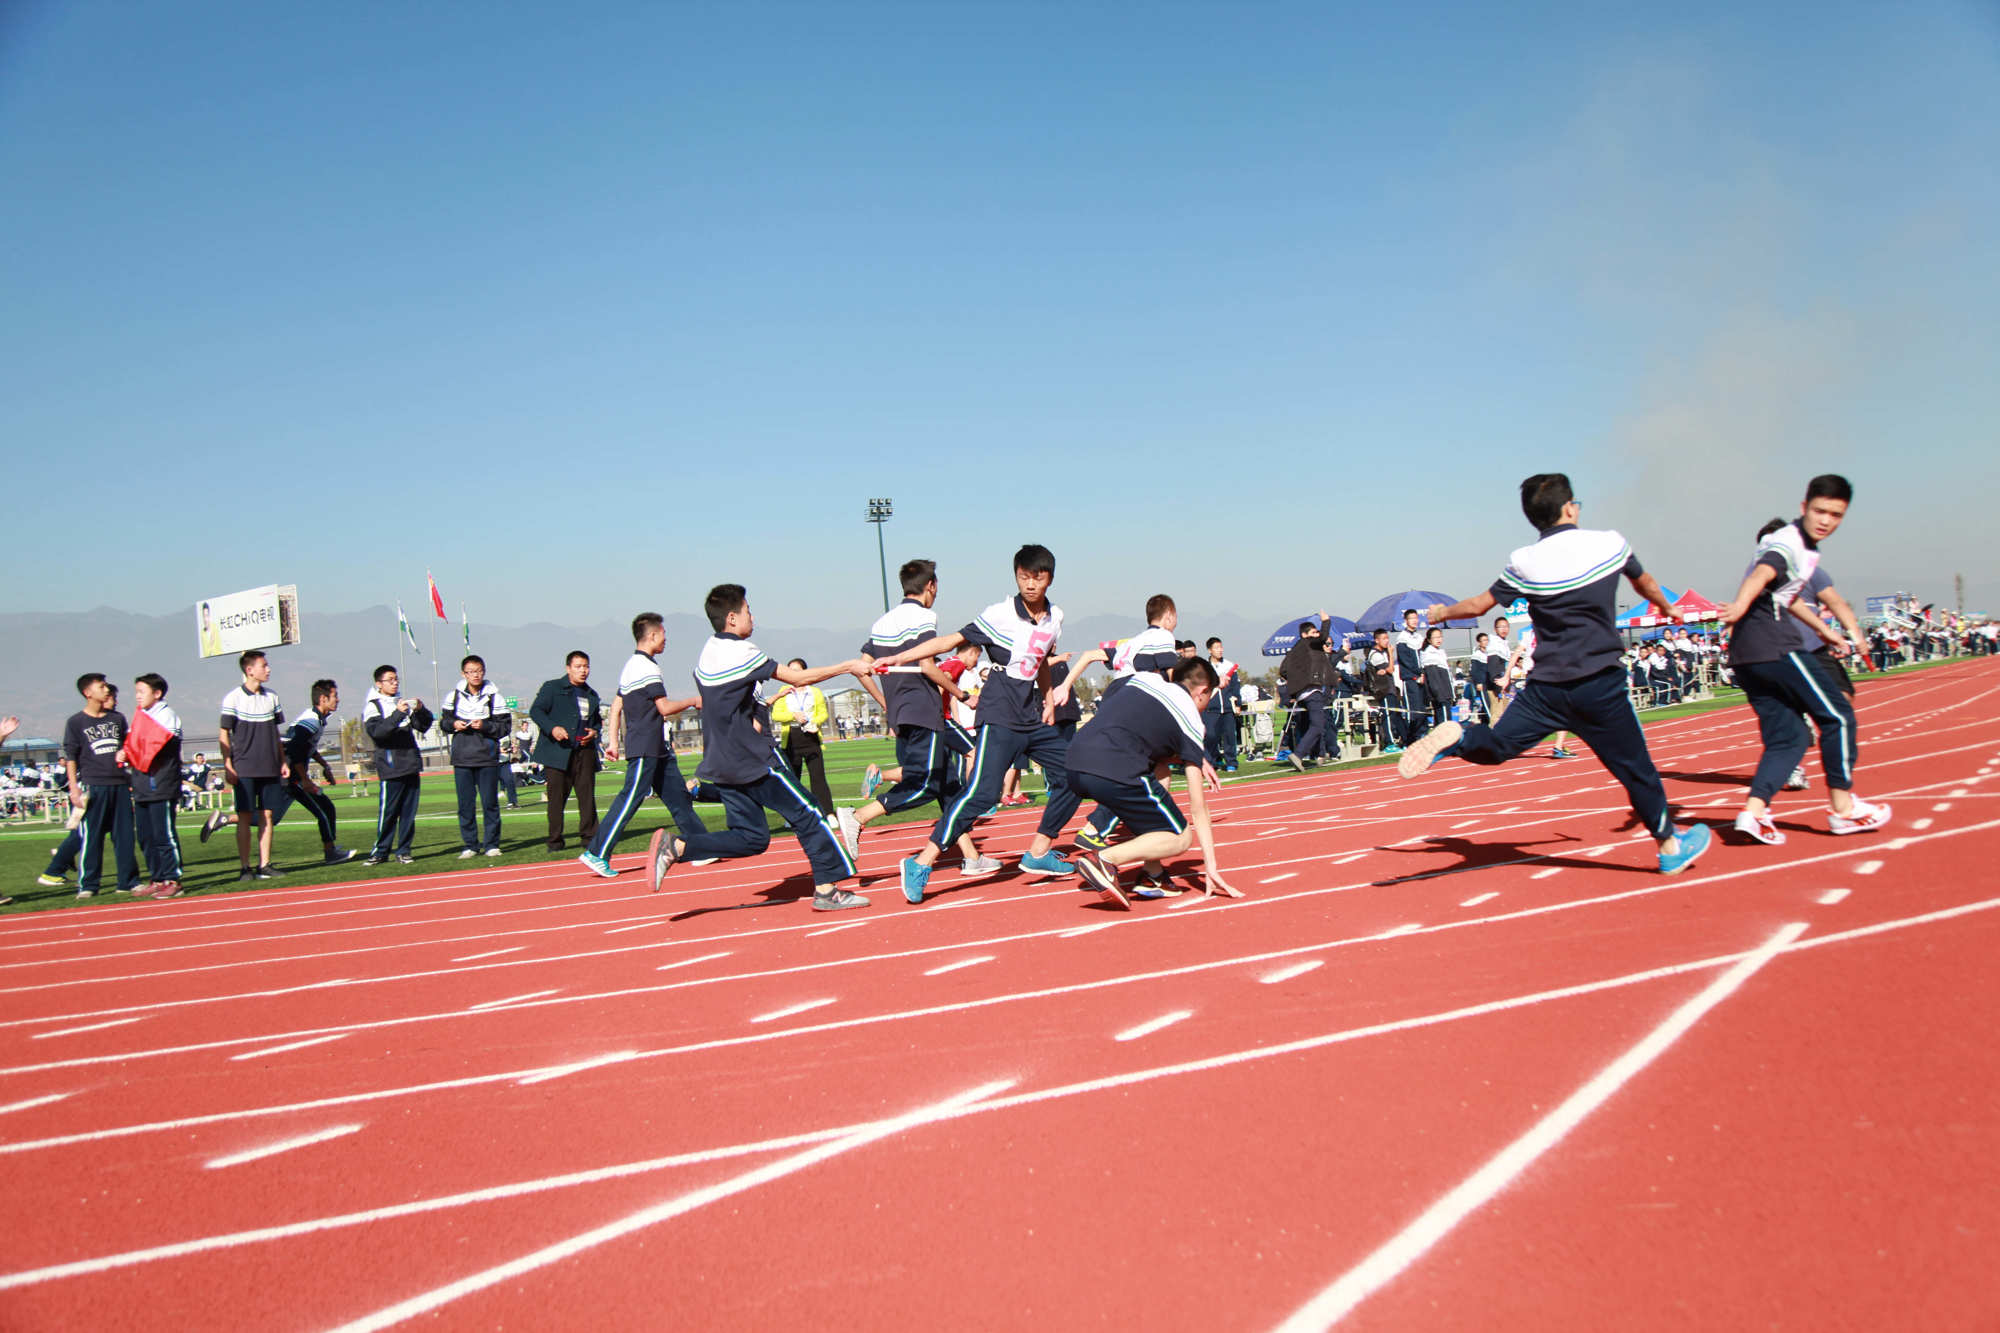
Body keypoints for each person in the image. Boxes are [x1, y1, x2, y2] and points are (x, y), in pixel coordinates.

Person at [1395, 472, 1713, 875]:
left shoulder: (1524, 562)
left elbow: (1478, 606)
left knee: (1497, 748)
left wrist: (1442, 613)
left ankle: (1460, 738)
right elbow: (1645, 582)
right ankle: (1669, 845)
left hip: (1544, 688)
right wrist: (1667, 609)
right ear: (1569, 508)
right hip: (1600, 684)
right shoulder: (1609, 544)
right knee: (1636, 769)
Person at [876, 543, 1081, 903]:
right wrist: (897, 656)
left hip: (1031, 717)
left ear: (1050, 578)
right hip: (999, 715)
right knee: (981, 794)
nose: (1030, 584)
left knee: (1075, 774)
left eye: (1038, 577)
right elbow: (950, 640)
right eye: (1023, 577)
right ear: (1016, 576)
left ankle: (1039, 851)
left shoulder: (1055, 618)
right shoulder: (999, 614)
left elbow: (1043, 663)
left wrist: (1048, 700)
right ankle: (921, 862)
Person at [645, 584, 869, 911]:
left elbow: (729, 700)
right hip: (749, 760)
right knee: (808, 812)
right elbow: (797, 678)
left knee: (752, 837)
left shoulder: (707, 652)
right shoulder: (742, 652)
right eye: (749, 611)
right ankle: (827, 889)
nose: (754, 617)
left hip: (720, 763)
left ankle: (677, 847)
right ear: (733, 618)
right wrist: (848, 667)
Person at [1719, 476, 1890, 845]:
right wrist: (1738, 606)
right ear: (1803, 508)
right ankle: (1844, 811)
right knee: (1839, 718)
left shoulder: (1796, 546)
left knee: (1790, 737)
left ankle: (1754, 812)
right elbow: (1766, 571)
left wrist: (1824, 630)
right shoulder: (1788, 543)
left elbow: (1785, 593)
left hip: (1746, 657)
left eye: (1836, 515)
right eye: (1820, 511)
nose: (1826, 520)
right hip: (1775, 646)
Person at [835, 559, 996, 876]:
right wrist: (963, 695)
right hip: (924, 710)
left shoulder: (882, 622)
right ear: (931, 586)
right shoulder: (925, 616)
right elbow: (926, 665)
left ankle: (972, 856)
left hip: (901, 713)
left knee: (948, 787)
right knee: (923, 786)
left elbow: (861, 669)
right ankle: (857, 817)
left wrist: (885, 702)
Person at [1070, 658, 1242, 908]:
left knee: (1157, 778)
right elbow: (1198, 807)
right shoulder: (1192, 720)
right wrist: (1211, 867)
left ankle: (1153, 876)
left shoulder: (1143, 678)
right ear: (1203, 690)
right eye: (1210, 696)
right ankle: (1105, 859)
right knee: (1180, 836)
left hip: (1076, 759)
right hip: (1115, 766)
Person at [577, 613, 710, 878]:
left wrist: (614, 742)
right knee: (631, 799)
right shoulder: (647, 667)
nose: (665, 638)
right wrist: (694, 700)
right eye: (662, 634)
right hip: (646, 746)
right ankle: (597, 852)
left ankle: (702, 846)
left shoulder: (631, 666)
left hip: (657, 748)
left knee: (678, 798)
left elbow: (616, 707)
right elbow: (664, 707)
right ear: (651, 635)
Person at [209, 650, 289, 881]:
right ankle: (245, 867)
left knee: (267, 816)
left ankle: (265, 865)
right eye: (264, 665)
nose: (268, 669)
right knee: (244, 817)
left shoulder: (272, 697)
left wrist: (282, 761)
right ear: (249, 670)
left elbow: (275, 733)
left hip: (270, 767)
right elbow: (224, 734)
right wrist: (228, 764)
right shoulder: (233, 698)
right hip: (244, 767)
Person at [59, 674, 139, 898]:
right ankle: (88, 885)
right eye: (101, 686)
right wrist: (74, 788)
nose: (106, 690)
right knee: (91, 838)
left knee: (124, 837)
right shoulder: (75, 722)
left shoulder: (117, 718)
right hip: (94, 785)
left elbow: (127, 745)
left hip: (120, 784)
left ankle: (128, 881)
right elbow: (72, 757)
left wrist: (127, 754)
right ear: (88, 693)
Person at [529, 651, 602, 851]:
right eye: (578, 666)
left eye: (586, 666)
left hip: (584, 751)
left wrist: (594, 732)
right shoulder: (552, 688)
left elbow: (596, 722)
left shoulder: (591, 694)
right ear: (568, 668)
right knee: (556, 799)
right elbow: (536, 711)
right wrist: (552, 728)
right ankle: (555, 840)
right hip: (558, 752)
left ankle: (589, 837)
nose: (583, 670)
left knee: (587, 797)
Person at [121, 673, 186, 898]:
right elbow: (132, 745)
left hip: (161, 784)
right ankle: (157, 878)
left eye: (142, 692)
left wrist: (130, 751)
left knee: (163, 835)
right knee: (146, 836)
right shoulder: (140, 717)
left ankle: (173, 879)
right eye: (136, 692)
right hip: (141, 786)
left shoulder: (167, 716)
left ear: (157, 693)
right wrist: (126, 752)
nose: (137, 697)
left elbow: (154, 747)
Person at [361, 665, 432, 865]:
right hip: (391, 766)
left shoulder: (401, 702)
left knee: (409, 812)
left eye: (396, 679)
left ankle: (404, 850)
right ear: (379, 684)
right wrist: (398, 714)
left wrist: (420, 710)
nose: (394, 683)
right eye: (390, 680)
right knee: (389, 812)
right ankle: (380, 851)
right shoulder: (373, 706)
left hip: (410, 762)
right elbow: (378, 733)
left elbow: (423, 725)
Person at [441, 654, 510, 860]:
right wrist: (454, 725)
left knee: (490, 803)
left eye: (479, 671)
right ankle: (470, 844)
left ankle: (491, 844)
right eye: (471, 671)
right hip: (462, 758)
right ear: (463, 674)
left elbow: (505, 727)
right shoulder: (453, 696)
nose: (475, 675)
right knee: (465, 805)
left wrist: (486, 725)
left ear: (484, 671)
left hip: (487, 757)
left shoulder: (494, 696)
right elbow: (443, 723)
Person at [280, 679, 356, 865]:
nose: (338, 700)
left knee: (268, 817)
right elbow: (296, 750)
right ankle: (330, 853)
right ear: (323, 699)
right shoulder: (311, 721)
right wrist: (305, 779)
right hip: (291, 777)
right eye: (335, 696)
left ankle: (226, 819)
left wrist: (325, 766)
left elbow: (308, 748)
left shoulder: (317, 719)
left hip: (293, 775)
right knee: (323, 810)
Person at [770, 661, 836, 813]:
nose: (793, 674)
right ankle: (794, 815)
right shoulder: (783, 691)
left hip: (811, 736)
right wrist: (793, 716)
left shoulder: (814, 691)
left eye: (797, 671)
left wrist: (814, 722)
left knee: (818, 778)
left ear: (805, 672)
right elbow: (776, 715)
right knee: (793, 780)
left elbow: (823, 713)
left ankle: (827, 812)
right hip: (791, 739)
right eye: (790, 670)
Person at [1277, 614, 1337, 771]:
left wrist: (1296, 681)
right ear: (1305, 635)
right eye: (1313, 632)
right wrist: (1325, 621)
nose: (1317, 635)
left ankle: (1320, 754)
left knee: (1312, 724)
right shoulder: (1309, 644)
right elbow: (1324, 636)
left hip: (1301, 692)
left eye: (1316, 632)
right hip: (1312, 690)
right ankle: (1298, 754)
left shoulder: (1295, 650)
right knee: (1318, 725)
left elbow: (1283, 670)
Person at [1203, 637, 1241, 771]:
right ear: (1209, 650)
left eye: (1221, 647)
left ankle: (1231, 762)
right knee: (1211, 736)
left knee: (1230, 736)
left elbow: (1235, 687)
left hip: (1227, 707)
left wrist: (1237, 703)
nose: (1220, 650)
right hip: (1211, 709)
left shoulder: (1229, 666)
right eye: (1216, 647)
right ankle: (1211, 761)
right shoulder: (1205, 667)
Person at [1419, 627, 1453, 728]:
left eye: (1440, 637)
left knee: (1441, 721)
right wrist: (1439, 695)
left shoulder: (1440, 652)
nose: (1439, 639)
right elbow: (1433, 679)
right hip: (1440, 695)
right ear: (1429, 640)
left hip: (1445, 693)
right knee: (1445, 722)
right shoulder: (1429, 654)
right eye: (1435, 637)